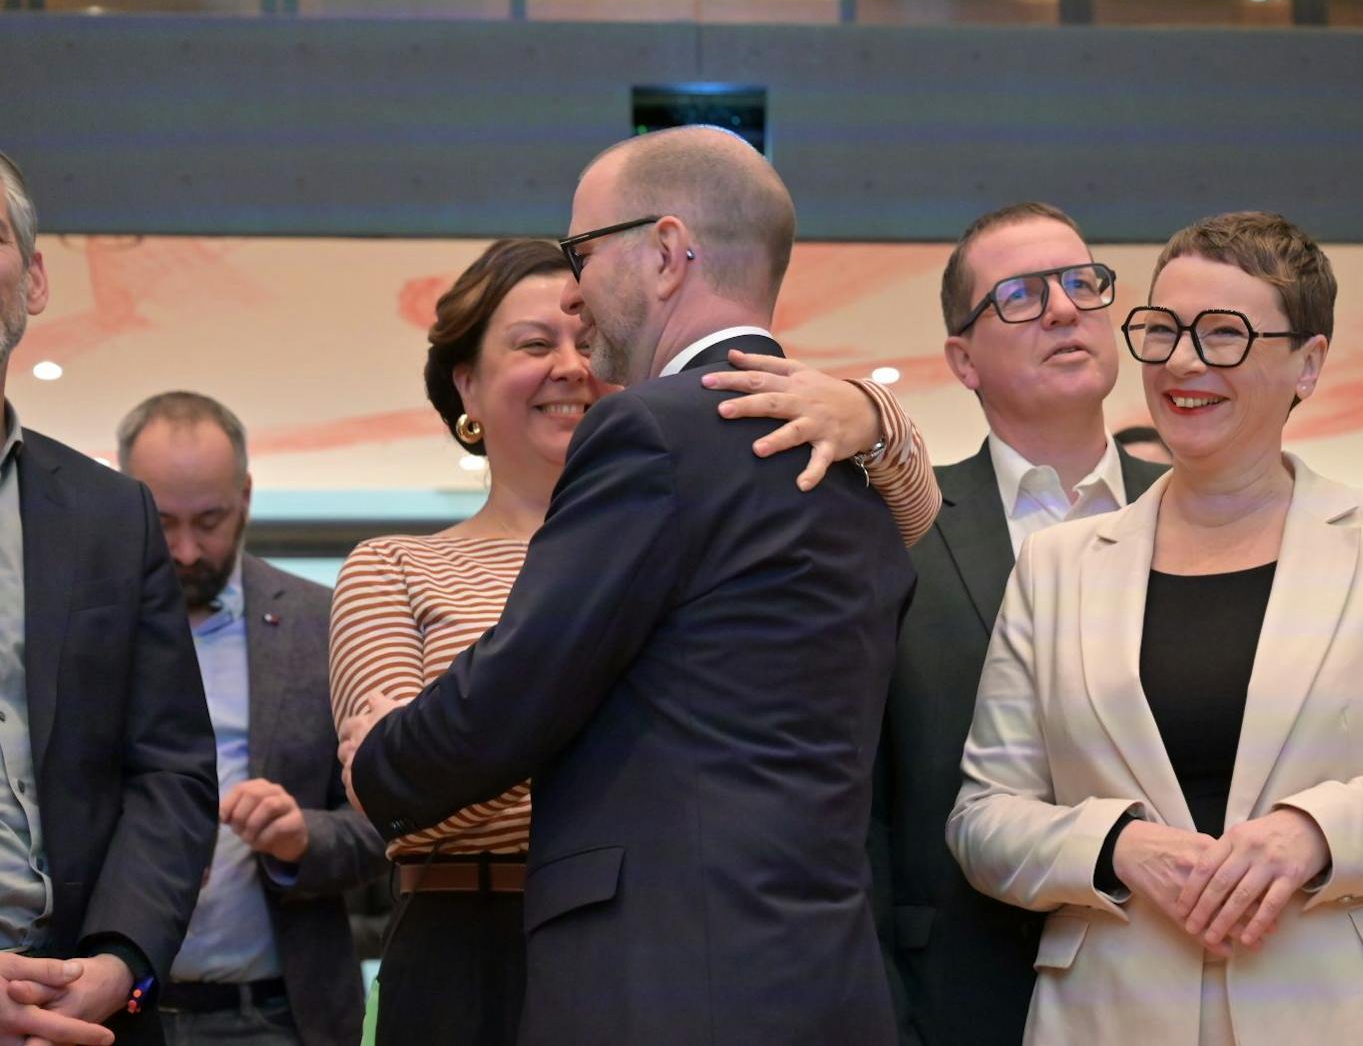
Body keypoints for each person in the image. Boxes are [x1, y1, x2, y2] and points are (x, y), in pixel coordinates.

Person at [332, 223, 935, 1042]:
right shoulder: (392, 565)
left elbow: (909, 524)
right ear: (467, 386)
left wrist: (874, 411)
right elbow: (399, 802)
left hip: (658, 937)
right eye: (534, 343)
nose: (571, 365)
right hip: (462, 950)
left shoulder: (694, 515)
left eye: (585, 337)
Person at [946, 210, 1363, 1044]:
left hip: (1345, 1012)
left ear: (1309, 362)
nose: (1184, 361)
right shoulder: (1058, 566)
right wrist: (1115, 845)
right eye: (1163, 330)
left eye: (1224, 333)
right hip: (1112, 1012)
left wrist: (1317, 832)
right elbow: (984, 817)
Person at [868, 201, 1167, 1046]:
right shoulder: (898, 530)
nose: (1066, 308)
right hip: (960, 987)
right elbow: (863, 807)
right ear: (963, 357)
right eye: (1023, 296)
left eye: (1082, 283)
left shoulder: (1210, 515)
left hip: (1183, 973)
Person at [0, 151, 216, 1045]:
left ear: (35, 277)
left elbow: (171, 769)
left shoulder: (108, 513)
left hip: (79, 1013)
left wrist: (120, 960)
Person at [118, 391, 388, 1046]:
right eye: (162, 522)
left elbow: (385, 826)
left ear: (246, 494)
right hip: (114, 1015)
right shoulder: (80, 630)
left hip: (278, 1015)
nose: (184, 550)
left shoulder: (320, 623)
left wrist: (301, 838)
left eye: (208, 520)